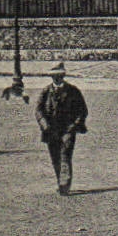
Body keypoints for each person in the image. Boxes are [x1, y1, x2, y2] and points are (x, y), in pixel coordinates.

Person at [35, 62, 88, 195]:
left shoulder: (73, 91)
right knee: (55, 157)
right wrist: (44, 125)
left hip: (67, 129)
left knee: (65, 154)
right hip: (51, 130)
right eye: (53, 76)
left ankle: (65, 183)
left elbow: (82, 110)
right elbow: (38, 110)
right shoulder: (46, 91)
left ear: (63, 75)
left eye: (59, 75)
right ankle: (60, 181)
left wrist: (74, 126)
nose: (56, 78)